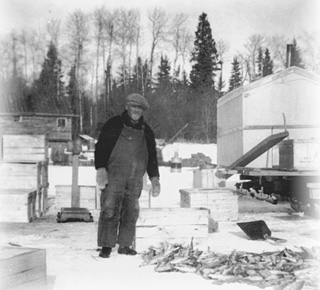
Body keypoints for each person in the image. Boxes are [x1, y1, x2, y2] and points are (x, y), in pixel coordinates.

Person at [94, 93, 161, 258]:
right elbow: (100, 147)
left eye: (139, 108)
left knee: (131, 212)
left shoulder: (147, 131)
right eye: (134, 106)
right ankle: (106, 246)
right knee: (109, 209)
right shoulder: (114, 124)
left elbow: (152, 157)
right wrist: (101, 169)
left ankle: (125, 244)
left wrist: (155, 179)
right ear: (127, 107)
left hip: (135, 179)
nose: (136, 110)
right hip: (114, 176)